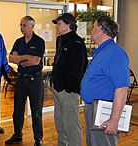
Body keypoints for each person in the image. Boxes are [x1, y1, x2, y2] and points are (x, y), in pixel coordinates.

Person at [80, 16, 130, 146]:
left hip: (103, 111)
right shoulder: (103, 51)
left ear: (100, 29)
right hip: (93, 109)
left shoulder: (115, 53)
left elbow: (122, 88)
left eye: (93, 27)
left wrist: (114, 120)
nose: (91, 30)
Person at [5, 16, 45, 146]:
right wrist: (27, 57)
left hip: (35, 80)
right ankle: (17, 134)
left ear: (32, 26)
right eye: (20, 25)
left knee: (36, 111)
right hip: (21, 79)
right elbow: (11, 59)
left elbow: (35, 61)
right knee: (17, 110)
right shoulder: (18, 42)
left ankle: (38, 138)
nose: (22, 28)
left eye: (24, 25)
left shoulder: (39, 41)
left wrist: (20, 59)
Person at [51, 13, 88, 146]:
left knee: (71, 125)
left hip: (68, 92)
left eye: (59, 23)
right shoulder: (60, 40)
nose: (56, 26)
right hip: (57, 89)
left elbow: (78, 69)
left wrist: (69, 89)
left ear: (68, 25)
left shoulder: (77, 42)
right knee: (60, 124)